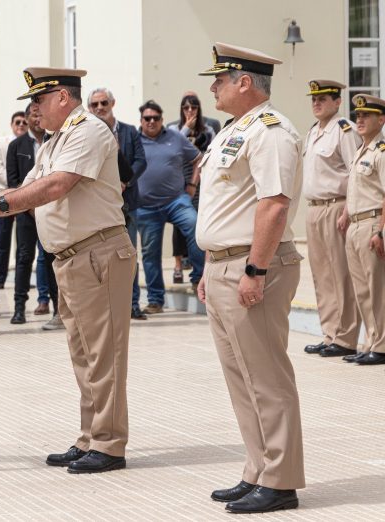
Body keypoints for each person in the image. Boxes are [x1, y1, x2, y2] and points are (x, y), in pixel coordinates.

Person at [0, 66, 135, 474]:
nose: (34, 110)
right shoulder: (54, 140)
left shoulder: (87, 131)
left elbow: (58, 185)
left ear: (62, 97)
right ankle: (90, 437)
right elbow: (25, 189)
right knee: (84, 356)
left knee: (104, 356)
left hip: (97, 254)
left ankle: (109, 444)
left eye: (39, 100)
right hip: (72, 259)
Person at [195, 42, 304, 513]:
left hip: (254, 265)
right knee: (241, 377)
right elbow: (223, 205)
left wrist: (254, 271)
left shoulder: (271, 132)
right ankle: (257, 468)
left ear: (244, 83)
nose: (213, 88)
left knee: (266, 376)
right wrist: (209, 265)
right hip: (224, 265)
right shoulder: (232, 131)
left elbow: (273, 205)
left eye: (220, 80)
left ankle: (281, 481)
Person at [301, 81, 362, 358]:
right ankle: (329, 334)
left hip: (336, 207)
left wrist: (348, 209)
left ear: (337, 102)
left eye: (323, 98)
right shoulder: (313, 131)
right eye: (314, 99)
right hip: (314, 208)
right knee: (322, 276)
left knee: (341, 275)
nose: (316, 103)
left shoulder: (344, 130)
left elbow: (355, 172)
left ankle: (346, 337)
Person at [136, 99, 204, 314]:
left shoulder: (175, 137)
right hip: (145, 207)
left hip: (176, 200)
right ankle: (156, 300)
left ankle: (198, 277)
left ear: (162, 119)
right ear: (141, 120)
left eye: (156, 118)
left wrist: (192, 185)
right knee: (150, 253)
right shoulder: (133, 140)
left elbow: (198, 159)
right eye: (147, 118)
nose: (152, 121)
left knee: (195, 226)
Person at [87, 87, 148, 320]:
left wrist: (125, 182)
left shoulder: (129, 131)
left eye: (104, 103)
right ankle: (109, 306)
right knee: (102, 259)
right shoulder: (88, 135)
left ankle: (133, 304)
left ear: (113, 103)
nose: (100, 108)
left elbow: (141, 161)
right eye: (95, 105)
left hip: (127, 204)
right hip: (100, 208)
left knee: (129, 256)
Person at [6, 103, 58, 324]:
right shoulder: (16, 146)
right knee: (24, 259)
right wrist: (31, 207)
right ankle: (19, 308)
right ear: (27, 118)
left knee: (52, 259)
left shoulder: (54, 141)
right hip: (26, 213)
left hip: (51, 212)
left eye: (40, 115)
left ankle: (58, 309)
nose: (38, 119)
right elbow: (14, 183)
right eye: (34, 115)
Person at [343, 94, 385, 366]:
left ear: (381, 120)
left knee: (377, 289)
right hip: (355, 224)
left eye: (366, 115)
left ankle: (382, 345)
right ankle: (371, 341)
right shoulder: (361, 150)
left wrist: (381, 231)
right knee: (363, 291)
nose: (359, 120)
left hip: (372, 224)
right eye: (357, 115)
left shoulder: (381, 151)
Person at [168, 94, 214, 283]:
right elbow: (172, 147)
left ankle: (199, 268)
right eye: (186, 107)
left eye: (193, 107)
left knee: (200, 222)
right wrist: (186, 127)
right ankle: (178, 265)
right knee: (180, 223)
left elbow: (212, 153)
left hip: (201, 180)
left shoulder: (208, 129)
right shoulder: (174, 129)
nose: (189, 111)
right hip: (180, 179)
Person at [0, 111, 28, 288]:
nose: (21, 125)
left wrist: (24, 189)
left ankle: (22, 278)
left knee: (23, 241)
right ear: (12, 124)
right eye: (17, 122)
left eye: (24, 122)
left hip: (26, 197)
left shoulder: (31, 143)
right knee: (2, 239)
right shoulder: (1, 143)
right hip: (4, 195)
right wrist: (15, 184)